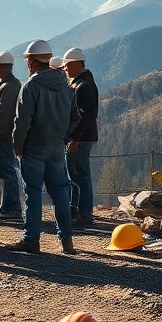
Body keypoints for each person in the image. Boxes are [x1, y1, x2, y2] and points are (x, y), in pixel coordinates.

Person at [4, 39, 81, 255]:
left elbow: (22, 122)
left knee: (34, 194)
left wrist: (17, 147)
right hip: (57, 147)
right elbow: (76, 117)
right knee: (60, 194)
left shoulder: (31, 86)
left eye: (27, 61)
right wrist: (63, 138)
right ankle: (66, 241)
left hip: (33, 148)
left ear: (32, 62)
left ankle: (31, 240)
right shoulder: (66, 86)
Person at [61, 47, 99, 226]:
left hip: (80, 139)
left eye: (67, 66)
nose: (66, 69)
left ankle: (85, 213)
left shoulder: (83, 86)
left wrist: (75, 138)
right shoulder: (84, 83)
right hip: (82, 137)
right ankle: (76, 210)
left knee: (80, 175)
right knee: (77, 175)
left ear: (76, 63)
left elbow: (88, 115)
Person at [0, 51, 23, 217]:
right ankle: (5, 204)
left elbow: (4, 113)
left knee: (7, 170)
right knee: (4, 170)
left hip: (4, 136)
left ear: (4, 67)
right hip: (5, 135)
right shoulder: (11, 85)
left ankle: (12, 207)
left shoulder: (9, 87)